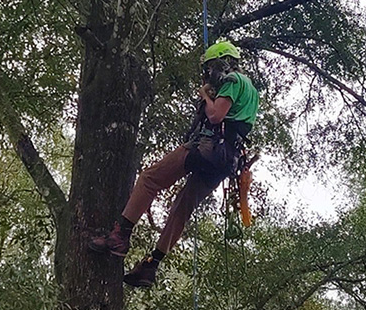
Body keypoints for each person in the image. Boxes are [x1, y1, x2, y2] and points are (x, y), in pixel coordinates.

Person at [90, 39, 259, 288]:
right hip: (226, 161)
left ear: (222, 63)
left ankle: (120, 237)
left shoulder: (233, 81)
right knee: (183, 206)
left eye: (211, 68)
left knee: (150, 178)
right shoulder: (252, 91)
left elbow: (216, 115)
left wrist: (205, 96)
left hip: (207, 148)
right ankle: (151, 265)